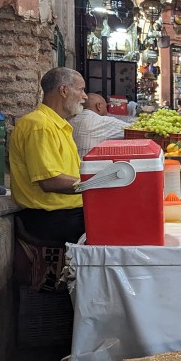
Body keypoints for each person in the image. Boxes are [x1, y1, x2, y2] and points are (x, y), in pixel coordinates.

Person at [9, 67, 88, 244]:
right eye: (81, 89)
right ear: (64, 90)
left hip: (66, 212)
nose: (85, 97)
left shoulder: (57, 125)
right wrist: (93, 185)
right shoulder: (40, 126)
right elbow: (50, 181)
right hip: (48, 218)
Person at [69, 94, 130, 158]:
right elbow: (135, 130)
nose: (107, 111)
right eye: (106, 107)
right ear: (99, 106)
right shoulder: (103, 121)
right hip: (89, 166)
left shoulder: (71, 120)